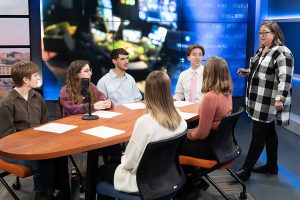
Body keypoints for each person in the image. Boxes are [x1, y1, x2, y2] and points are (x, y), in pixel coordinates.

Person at [98, 71, 187, 193]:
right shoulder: (181, 118)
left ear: (148, 92)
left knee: (99, 171)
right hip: (168, 176)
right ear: (167, 90)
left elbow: (129, 163)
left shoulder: (145, 122)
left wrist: (124, 157)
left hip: (143, 182)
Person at [0, 61, 69, 200]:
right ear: (25, 79)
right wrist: (34, 145)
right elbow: (7, 138)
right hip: (13, 149)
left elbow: (44, 125)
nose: (38, 78)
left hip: (36, 146)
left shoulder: (37, 97)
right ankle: (43, 195)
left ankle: (61, 192)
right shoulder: (6, 102)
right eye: (35, 75)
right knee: (43, 160)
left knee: (60, 154)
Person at [235, 20, 294, 182]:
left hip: (268, 102)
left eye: (265, 32)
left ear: (274, 33)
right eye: (260, 33)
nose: (261, 36)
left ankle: (245, 170)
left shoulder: (282, 52)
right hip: (257, 99)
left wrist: (280, 98)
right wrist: (248, 72)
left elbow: (285, 78)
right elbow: (264, 72)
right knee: (269, 133)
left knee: (258, 133)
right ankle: (272, 166)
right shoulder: (262, 50)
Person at [177, 57, 233, 199]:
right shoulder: (227, 93)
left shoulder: (210, 97)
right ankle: (193, 181)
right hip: (223, 145)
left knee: (175, 145)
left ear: (209, 73)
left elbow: (201, 134)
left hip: (211, 149)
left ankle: (187, 187)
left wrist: (187, 133)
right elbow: (221, 121)